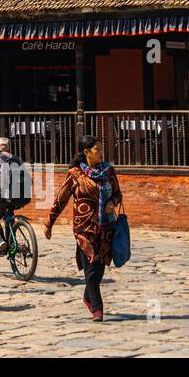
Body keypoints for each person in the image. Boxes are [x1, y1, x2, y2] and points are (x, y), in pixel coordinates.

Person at [46, 134, 124, 321]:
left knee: (100, 267)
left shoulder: (108, 171)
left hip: (106, 227)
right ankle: (98, 309)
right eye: (97, 149)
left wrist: (112, 202)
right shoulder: (74, 174)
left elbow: (118, 194)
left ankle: (88, 295)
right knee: (90, 267)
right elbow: (61, 200)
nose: (101, 152)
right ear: (86, 152)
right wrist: (49, 222)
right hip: (84, 229)